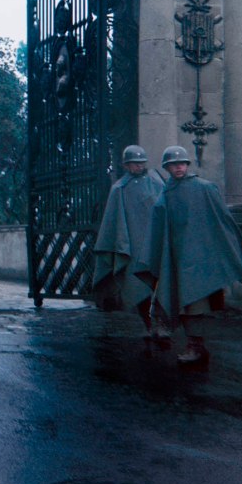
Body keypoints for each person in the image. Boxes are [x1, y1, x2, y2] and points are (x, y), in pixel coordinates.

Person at [135, 146, 242, 367]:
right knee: (177, 299)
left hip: (200, 260)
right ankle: (181, 338)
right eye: (173, 164)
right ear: (167, 167)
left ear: (188, 165)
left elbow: (221, 222)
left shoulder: (205, 188)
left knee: (194, 304)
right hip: (177, 259)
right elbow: (159, 225)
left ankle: (196, 346)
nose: (178, 167)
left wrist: (219, 251)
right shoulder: (167, 193)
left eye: (182, 163)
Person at [93, 145, 168, 340]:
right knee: (138, 287)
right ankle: (149, 324)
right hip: (133, 247)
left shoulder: (157, 181)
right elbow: (113, 222)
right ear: (126, 165)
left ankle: (161, 323)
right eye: (135, 163)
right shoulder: (119, 189)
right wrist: (122, 246)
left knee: (161, 284)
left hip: (156, 244)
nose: (139, 166)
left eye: (142, 162)